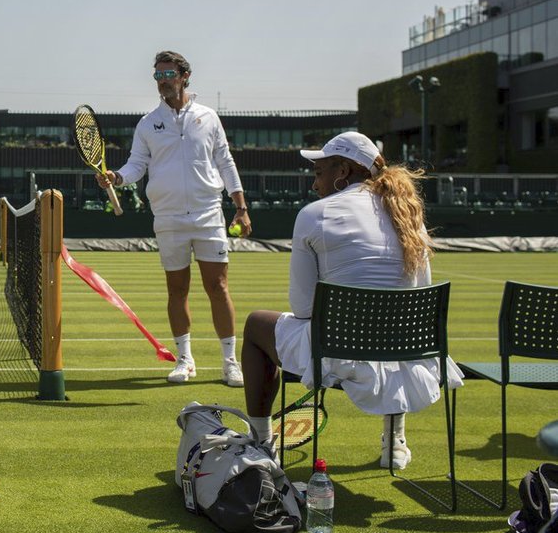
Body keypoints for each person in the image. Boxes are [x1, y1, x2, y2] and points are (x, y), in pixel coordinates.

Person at [240, 131, 463, 469]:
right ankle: (395, 443)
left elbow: (302, 308)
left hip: (336, 351)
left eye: (319, 173)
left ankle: (261, 442)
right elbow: (419, 293)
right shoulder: (410, 216)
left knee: (256, 324)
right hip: (406, 351)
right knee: (393, 334)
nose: (315, 185)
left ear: (342, 170)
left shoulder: (313, 214)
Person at [97, 50, 251, 387]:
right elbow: (137, 164)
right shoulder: (147, 123)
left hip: (209, 214)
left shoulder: (209, 117)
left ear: (184, 77)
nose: (162, 81)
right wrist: (118, 177)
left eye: (168, 75)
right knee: (176, 290)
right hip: (167, 217)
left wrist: (240, 206)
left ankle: (230, 362)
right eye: (157, 76)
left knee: (218, 287)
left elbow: (225, 162)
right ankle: (185, 360)